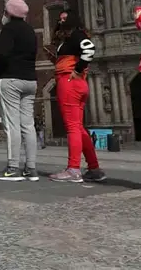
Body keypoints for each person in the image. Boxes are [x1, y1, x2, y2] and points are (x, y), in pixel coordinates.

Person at [47, 10, 106, 183]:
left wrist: (78, 69)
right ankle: (93, 167)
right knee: (78, 127)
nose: (61, 20)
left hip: (69, 82)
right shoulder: (70, 38)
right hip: (78, 83)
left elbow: (89, 48)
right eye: (60, 18)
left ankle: (73, 169)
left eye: (65, 18)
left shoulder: (76, 35)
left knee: (72, 127)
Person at [0, 0, 39, 182]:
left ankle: (12, 167)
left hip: (11, 78)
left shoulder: (8, 29)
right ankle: (31, 168)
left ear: (9, 13)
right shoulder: (30, 31)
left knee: (12, 124)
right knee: (28, 124)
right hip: (30, 80)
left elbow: (2, 54)